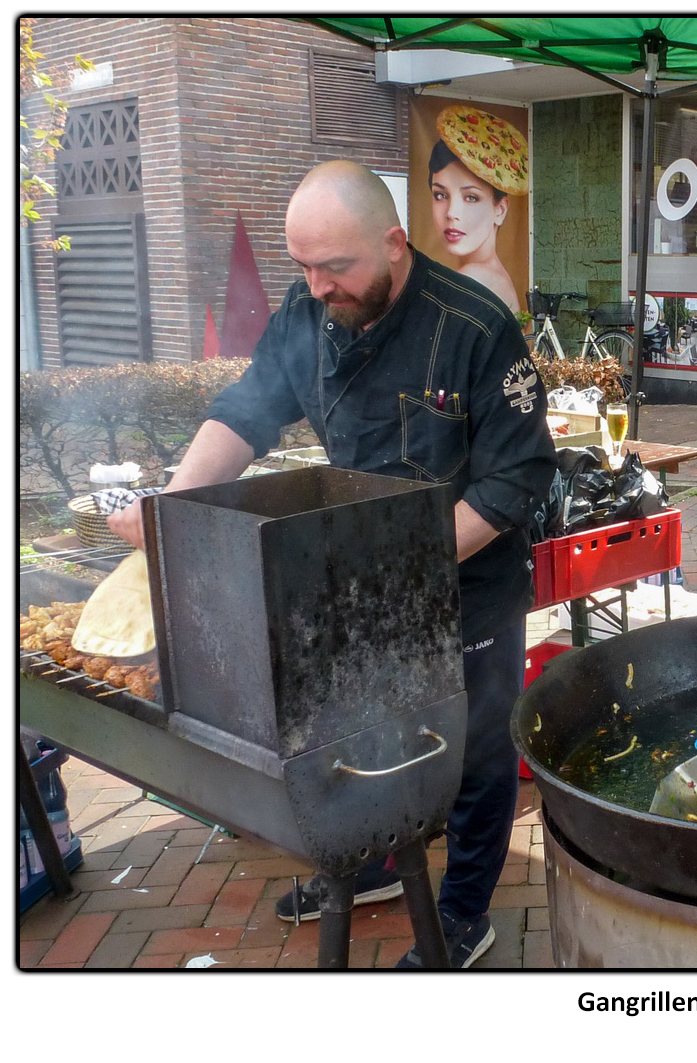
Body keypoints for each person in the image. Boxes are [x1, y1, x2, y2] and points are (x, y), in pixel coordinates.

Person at [108, 160, 557, 969]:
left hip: (468, 582)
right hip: (359, 577)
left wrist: (406, 571)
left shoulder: (474, 326)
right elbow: (245, 414)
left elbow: (514, 480)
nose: (318, 287)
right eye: (304, 267)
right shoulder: (305, 311)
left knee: (474, 753)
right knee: (363, 727)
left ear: (394, 243)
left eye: (336, 267)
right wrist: (167, 512)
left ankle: (463, 913)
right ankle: (372, 862)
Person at [428, 105, 529, 315]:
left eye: (471, 197)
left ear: (500, 210)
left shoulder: (472, 278)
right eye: (440, 195)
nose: (451, 213)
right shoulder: (496, 275)